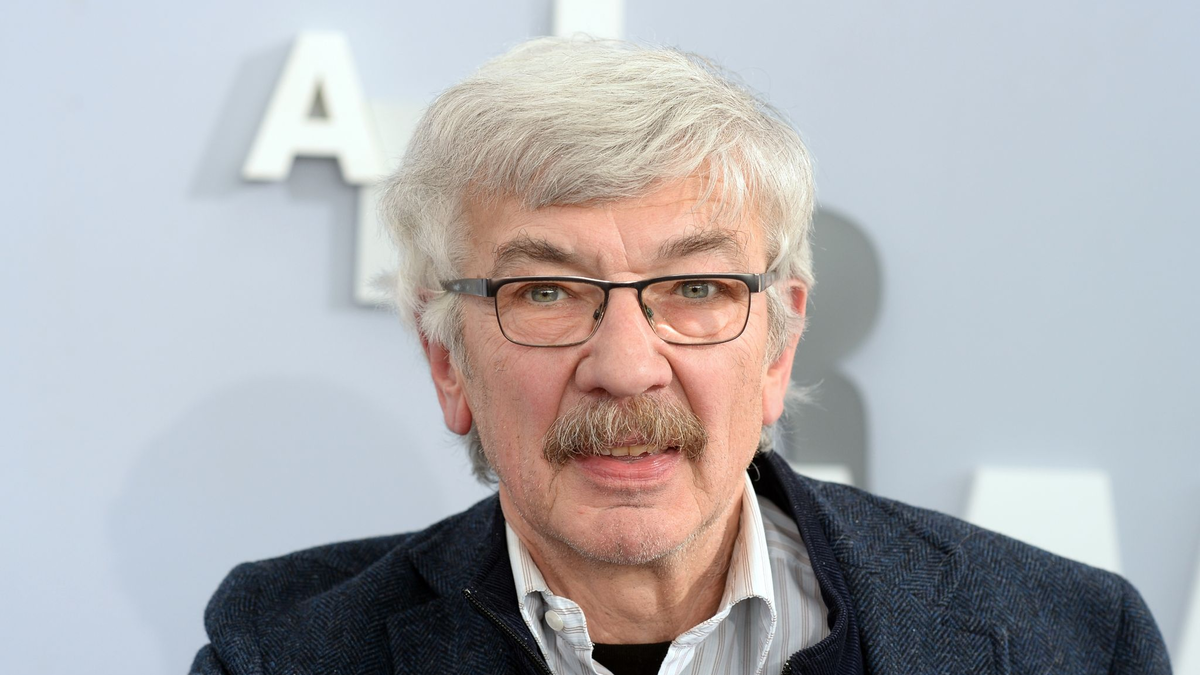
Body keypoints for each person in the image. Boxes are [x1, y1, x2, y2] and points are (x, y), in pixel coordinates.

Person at [191, 38, 1170, 675]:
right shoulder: (280, 652)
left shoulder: (1075, 643)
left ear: (780, 342)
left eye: (695, 289)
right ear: (449, 364)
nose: (626, 366)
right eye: (547, 291)